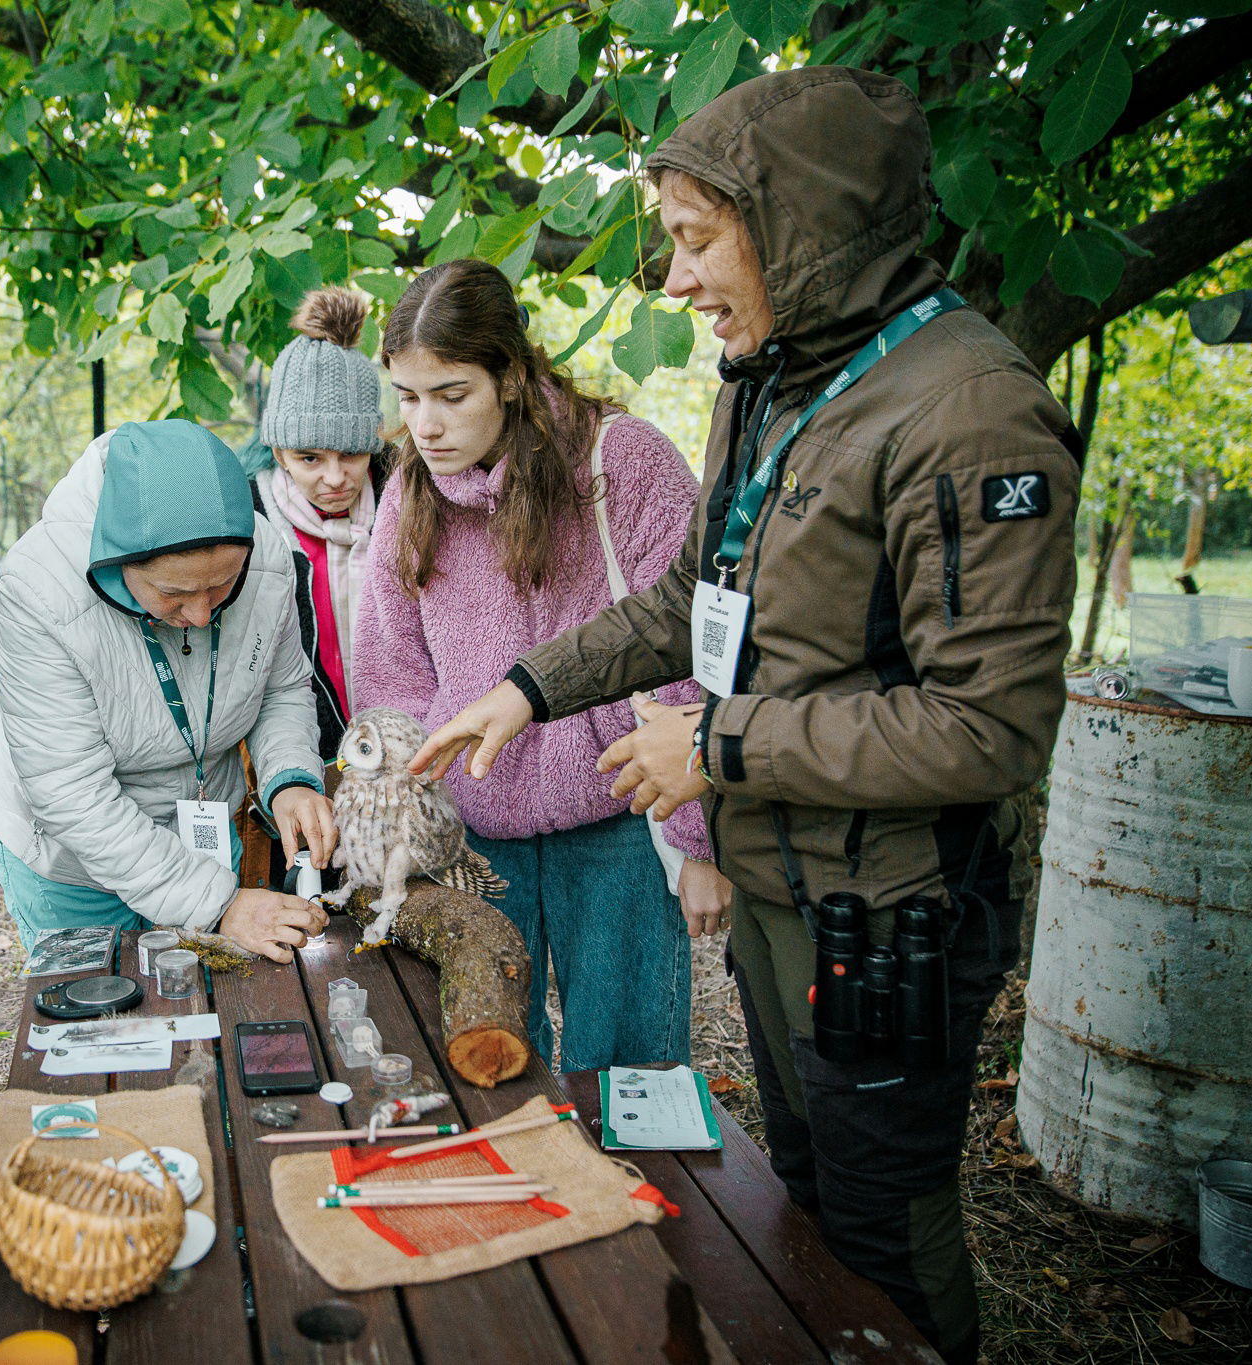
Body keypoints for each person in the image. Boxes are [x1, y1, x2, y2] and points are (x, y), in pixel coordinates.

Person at [413, 68, 1081, 1365]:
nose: (674, 280)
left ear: (801, 228)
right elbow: (691, 600)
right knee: (809, 1209)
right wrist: (527, 687)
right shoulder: (767, 380)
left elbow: (987, 727)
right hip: (784, 883)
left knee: (884, 1236)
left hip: (888, 911)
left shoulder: (969, 411)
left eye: (697, 239)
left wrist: (714, 747)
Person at [353, 257, 731, 1073]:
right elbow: (391, 673)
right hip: (473, 833)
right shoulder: (409, 493)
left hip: (622, 817)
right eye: (408, 397)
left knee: (629, 1073)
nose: (425, 424)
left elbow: (687, 649)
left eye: (452, 394)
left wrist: (696, 843)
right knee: (489, 1059)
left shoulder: (622, 461)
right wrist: (404, 822)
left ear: (512, 376)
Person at [0, 419, 334, 962]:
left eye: (223, 585)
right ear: (118, 563)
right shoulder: (39, 588)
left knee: (209, 996)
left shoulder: (266, 556)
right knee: (99, 1003)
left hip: (200, 829)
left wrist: (289, 778)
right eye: (174, 593)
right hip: (74, 861)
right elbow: (71, 792)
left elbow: (281, 687)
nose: (201, 614)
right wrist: (220, 904)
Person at [250, 285, 390, 758]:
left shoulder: (407, 504)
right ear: (279, 453)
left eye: (350, 454)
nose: (334, 478)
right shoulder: (253, 521)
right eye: (309, 458)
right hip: (304, 753)